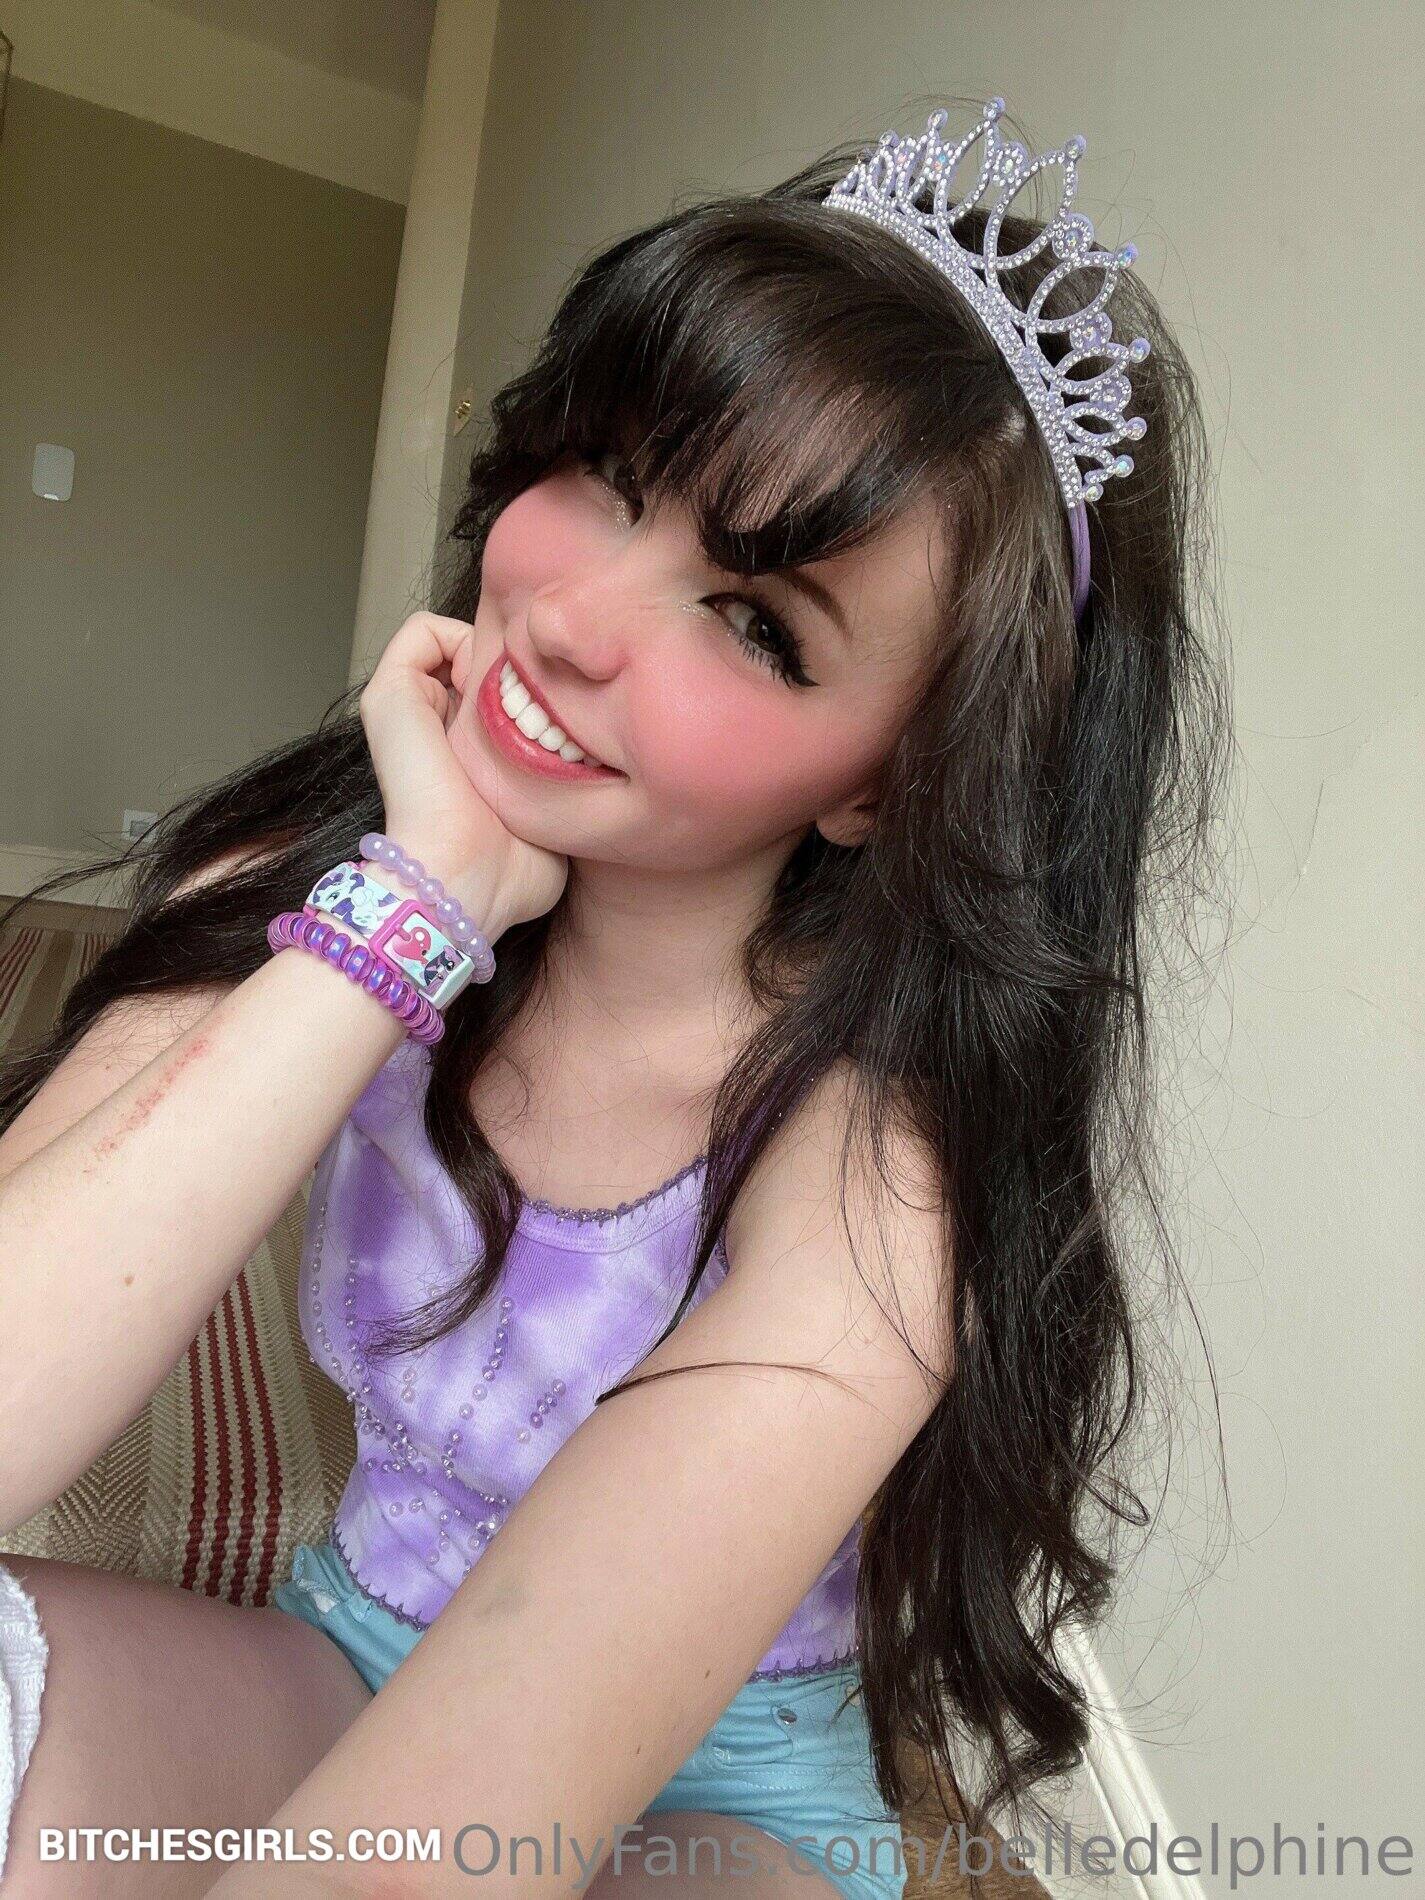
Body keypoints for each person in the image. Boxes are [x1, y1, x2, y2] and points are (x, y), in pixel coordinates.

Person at [0, 94, 1230, 1900]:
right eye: (606, 477)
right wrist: (410, 912)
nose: (572, 622)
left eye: (756, 622)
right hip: (342, 1652)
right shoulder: (314, 892)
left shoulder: (868, 1177)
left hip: (714, 1808)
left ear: (884, 782)